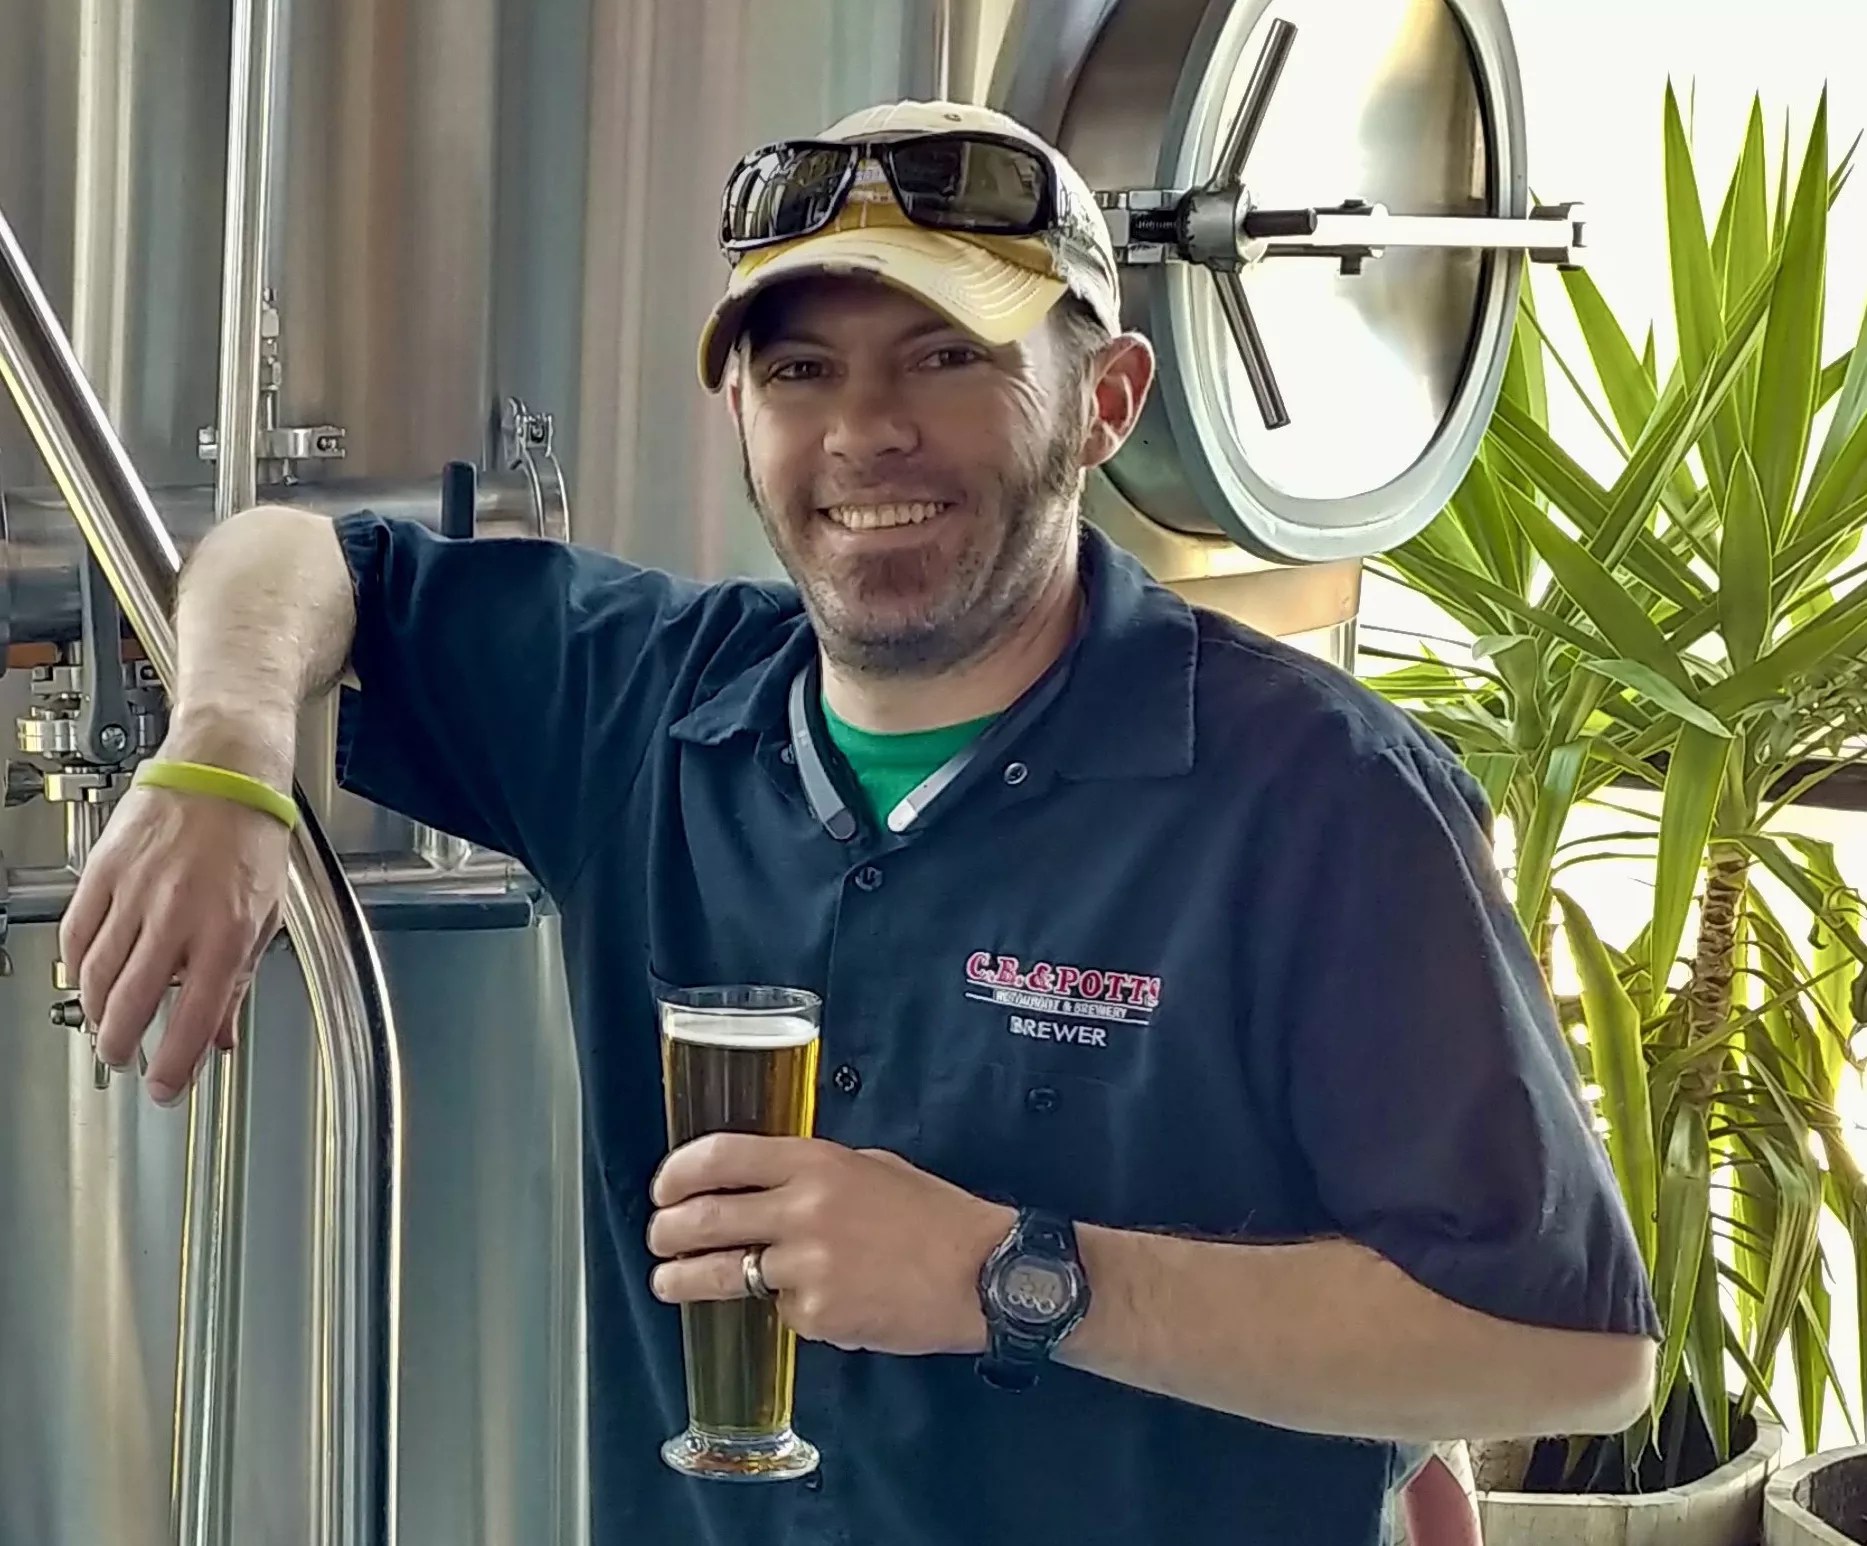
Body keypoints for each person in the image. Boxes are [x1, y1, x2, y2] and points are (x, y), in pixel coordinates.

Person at [62, 99, 1659, 1545]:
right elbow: (294, 555)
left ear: (1106, 399)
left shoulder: (1323, 796)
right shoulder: (646, 704)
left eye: (947, 357)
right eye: (800, 369)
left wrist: (1011, 1274)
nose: (865, 430)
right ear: (740, 409)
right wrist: (227, 744)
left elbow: (1572, 1349)